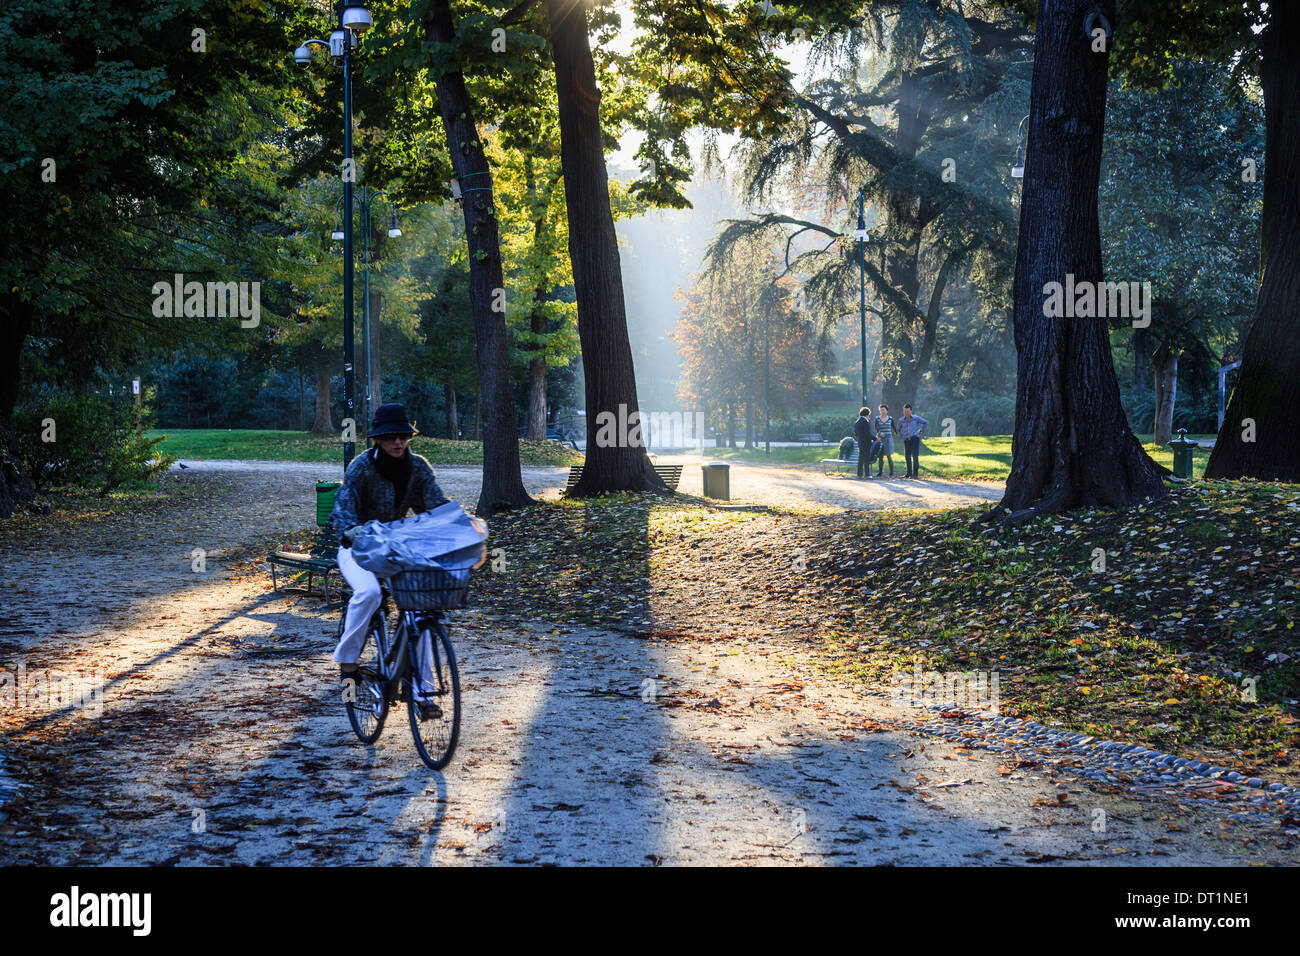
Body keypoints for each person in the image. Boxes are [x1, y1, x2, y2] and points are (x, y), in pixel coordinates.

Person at [330, 403, 449, 692]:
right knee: (369, 593)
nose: (398, 442)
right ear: (379, 439)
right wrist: (351, 530)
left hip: (393, 548)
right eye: (391, 436)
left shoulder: (418, 466)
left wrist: (459, 523)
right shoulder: (362, 466)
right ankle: (348, 662)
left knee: (420, 607)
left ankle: (424, 690)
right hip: (356, 547)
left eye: (403, 436)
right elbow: (343, 506)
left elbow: (433, 505)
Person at [897, 403, 930, 479]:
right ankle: (908, 473)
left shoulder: (916, 418)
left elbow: (926, 422)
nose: (906, 413)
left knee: (915, 457)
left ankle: (915, 474)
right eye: (905, 412)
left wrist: (920, 430)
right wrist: (901, 436)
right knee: (907, 457)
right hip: (907, 440)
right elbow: (898, 429)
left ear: (911, 411)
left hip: (915, 439)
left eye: (908, 411)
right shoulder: (901, 420)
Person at [852, 406, 876, 479]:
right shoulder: (865, 422)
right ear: (867, 414)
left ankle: (859, 474)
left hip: (860, 442)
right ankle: (867, 474)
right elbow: (868, 434)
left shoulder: (857, 422)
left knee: (861, 458)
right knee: (866, 459)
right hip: (866, 443)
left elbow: (856, 433)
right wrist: (875, 439)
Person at [874, 403, 896, 477]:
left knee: (889, 456)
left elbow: (894, 427)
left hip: (888, 439)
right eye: (881, 410)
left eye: (883, 410)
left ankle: (891, 472)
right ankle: (880, 472)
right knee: (880, 456)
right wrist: (880, 433)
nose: (882, 411)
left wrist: (896, 433)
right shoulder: (877, 419)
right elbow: (876, 429)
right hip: (880, 439)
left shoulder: (890, 418)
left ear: (887, 411)